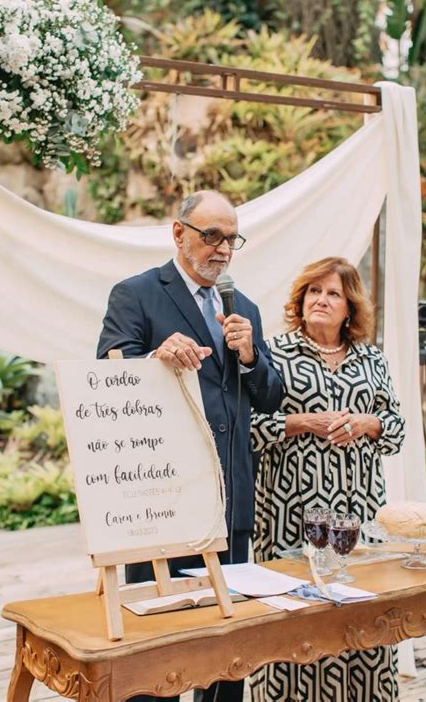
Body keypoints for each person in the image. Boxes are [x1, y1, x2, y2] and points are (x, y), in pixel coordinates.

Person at [97, 189, 283, 702]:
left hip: (230, 501)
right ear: (179, 233)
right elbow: (110, 375)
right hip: (162, 502)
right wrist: (156, 356)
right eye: (212, 235)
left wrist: (250, 355)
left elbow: (270, 395)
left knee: (228, 651)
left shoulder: (241, 307)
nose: (222, 248)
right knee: (157, 649)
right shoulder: (135, 294)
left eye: (231, 238)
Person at [249, 257, 405, 702]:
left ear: (350, 307)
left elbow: (395, 429)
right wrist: (304, 422)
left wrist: (365, 423)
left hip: (361, 517)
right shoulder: (272, 354)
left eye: (333, 292)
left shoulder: (372, 359)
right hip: (290, 513)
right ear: (300, 300)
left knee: (365, 621)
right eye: (313, 291)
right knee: (294, 622)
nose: (321, 299)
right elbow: (248, 430)